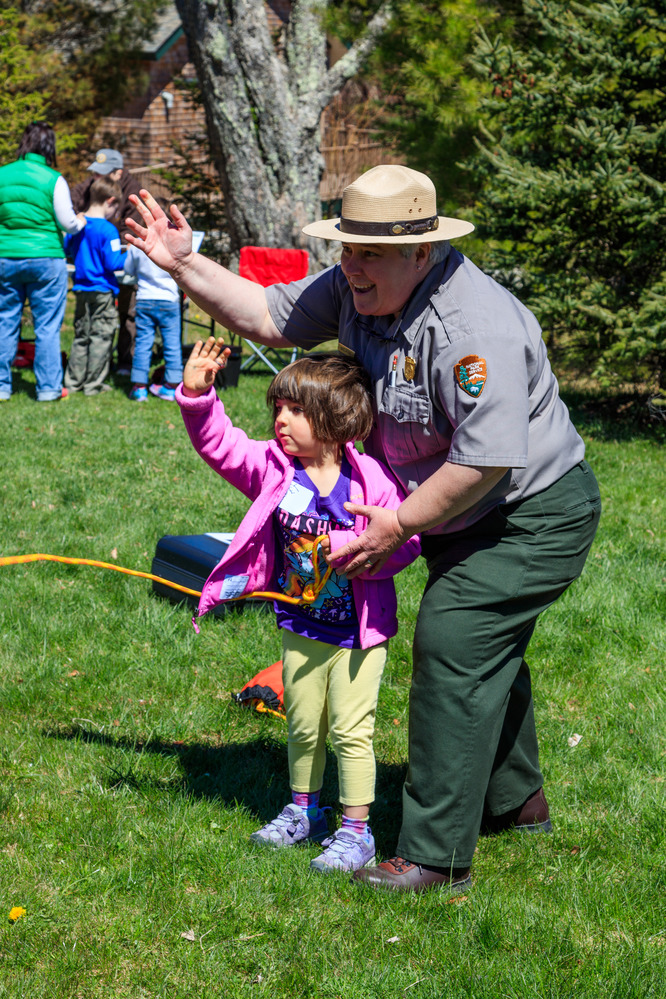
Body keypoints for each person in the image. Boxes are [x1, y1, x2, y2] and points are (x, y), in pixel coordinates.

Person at [125, 164, 602, 893]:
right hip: (452, 507)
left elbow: (488, 459)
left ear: (423, 251)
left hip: (528, 512)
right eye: (346, 248)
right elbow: (267, 315)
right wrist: (185, 260)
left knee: (454, 638)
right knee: (481, 649)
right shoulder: (360, 284)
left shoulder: (474, 328)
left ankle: (435, 855)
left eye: (368, 252)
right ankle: (517, 801)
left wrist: (398, 525)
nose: (349, 265)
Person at [178, 344, 420, 873]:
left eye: (294, 411)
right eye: (277, 410)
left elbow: (407, 539)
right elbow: (222, 445)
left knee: (352, 731)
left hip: (359, 635)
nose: (280, 421)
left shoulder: (370, 480)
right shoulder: (274, 468)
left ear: (335, 421)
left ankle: (357, 833)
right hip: (301, 626)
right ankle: (304, 812)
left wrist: (360, 553)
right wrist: (198, 396)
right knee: (304, 725)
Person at [0, 121, 86, 402]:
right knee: (47, 325)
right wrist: (80, 222)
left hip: (5, 257)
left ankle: (1, 386)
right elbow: (67, 222)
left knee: (4, 321)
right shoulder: (53, 179)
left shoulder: (3, 175)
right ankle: (48, 388)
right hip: (45, 258)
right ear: (50, 147)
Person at [71, 148, 143, 374]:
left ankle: (124, 361)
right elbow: (70, 205)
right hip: (95, 271)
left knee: (127, 313)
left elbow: (131, 231)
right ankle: (90, 369)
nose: (96, 178)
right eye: (95, 173)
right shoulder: (91, 186)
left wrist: (105, 243)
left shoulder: (134, 193)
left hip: (120, 262)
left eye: (102, 174)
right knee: (88, 325)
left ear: (118, 173)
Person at [64, 177, 124, 395]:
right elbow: (113, 263)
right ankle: (93, 385)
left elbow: (67, 248)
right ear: (110, 201)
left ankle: (73, 382)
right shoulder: (109, 231)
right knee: (101, 336)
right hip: (103, 291)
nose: (115, 214)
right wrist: (132, 258)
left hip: (81, 289)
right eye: (116, 208)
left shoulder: (78, 225)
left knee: (81, 335)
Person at [123, 198, 183, 402]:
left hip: (146, 299)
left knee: (142, 343)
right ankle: (172, 385)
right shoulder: (173, 245)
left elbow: (128, 270)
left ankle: (139, 386)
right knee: (172, 343)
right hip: (169, 300)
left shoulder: (138, 245)